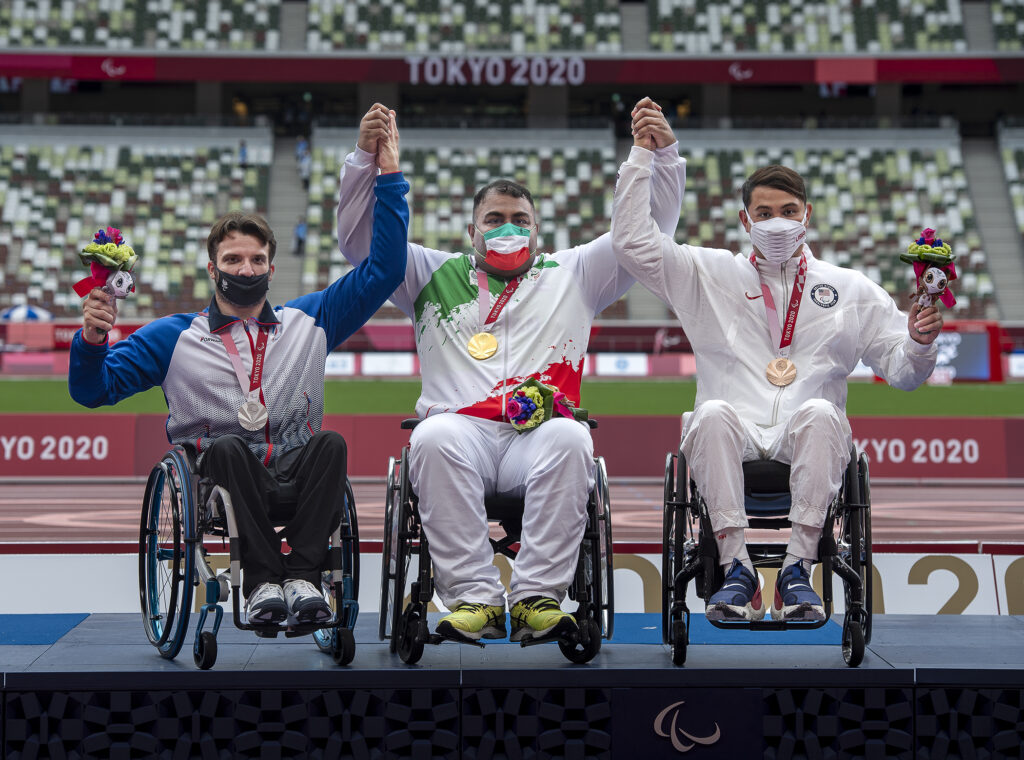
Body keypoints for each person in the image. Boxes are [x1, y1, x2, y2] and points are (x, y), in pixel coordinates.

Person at [337, 101, 686, 645]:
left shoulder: (575, 272)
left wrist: (663, 158)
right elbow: (361, 246)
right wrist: (366, 163)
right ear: (471, 229)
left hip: (537, 435)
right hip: (463, 433)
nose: (508, 229)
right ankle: (475, 597)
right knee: (431, 436)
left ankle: (535, 599)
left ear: (538, 230)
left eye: (520, 220)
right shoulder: (427, 271)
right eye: (494, 220)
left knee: (573, 438)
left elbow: (647, 235)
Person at [612, 102, 943, 623]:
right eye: (763, 214)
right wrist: (650, 158)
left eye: (788, 211)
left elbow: (903, 373)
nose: (777, 223)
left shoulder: (850, 288)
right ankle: (736, 567)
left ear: (806, 215)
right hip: (733, 433)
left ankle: (798, 568)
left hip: (807, 437)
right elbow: (631, 244)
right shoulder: (707, 272)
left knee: (817, 412)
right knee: (714, 412)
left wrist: (920, 343)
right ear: (745, 220)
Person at [69, 120, 408, 626]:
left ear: (272, 269)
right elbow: (93, 391)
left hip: (294, 468)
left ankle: (302, 578)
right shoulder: (172, 337)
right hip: (218, 480)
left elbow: (385, 270)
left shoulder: (312, 319)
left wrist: (386, 174)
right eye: (233, 259)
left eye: (256, 260)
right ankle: (260, 582)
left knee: (332, 443)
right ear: (212, 268)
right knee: (226, 447)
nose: (245, 270)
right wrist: (93, 341)